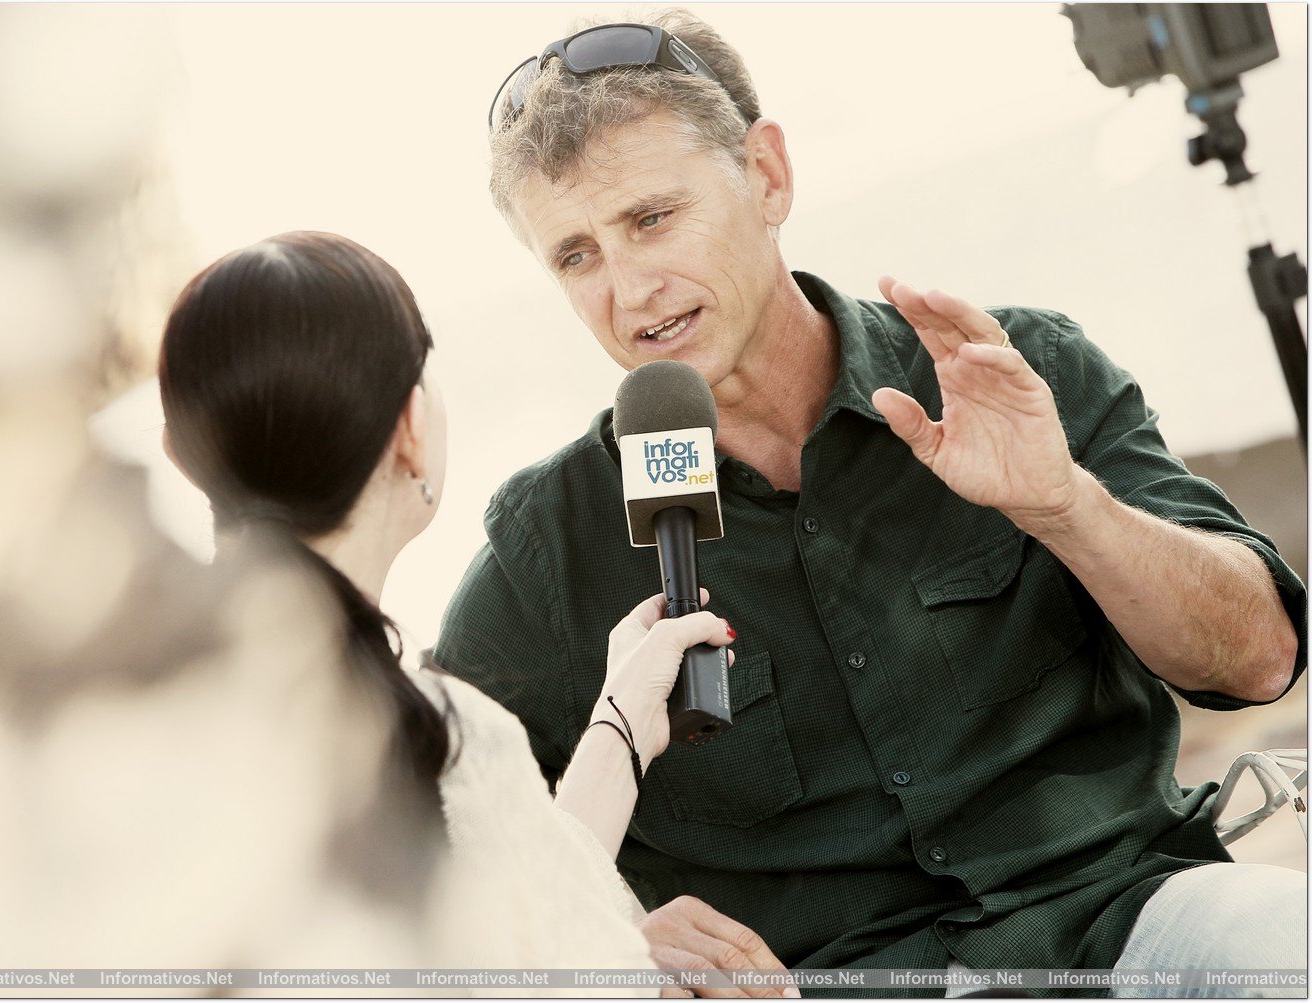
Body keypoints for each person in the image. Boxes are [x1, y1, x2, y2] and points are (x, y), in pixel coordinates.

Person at [435, 8, 1308, 996]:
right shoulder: (547, 547)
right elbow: (421, 851)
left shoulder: (1011, 372)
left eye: (650, 218)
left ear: (767, 175)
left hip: (1133, 924)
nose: (628, 289)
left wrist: (1067, 505)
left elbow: (1262, 658)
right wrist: (610, 923)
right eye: (576, 256)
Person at [155, 230, 767, 988]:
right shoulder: (447, 735)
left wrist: (620, 730)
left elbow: (510, 878)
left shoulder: (131, 708)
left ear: (180, 454)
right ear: (412, 429)